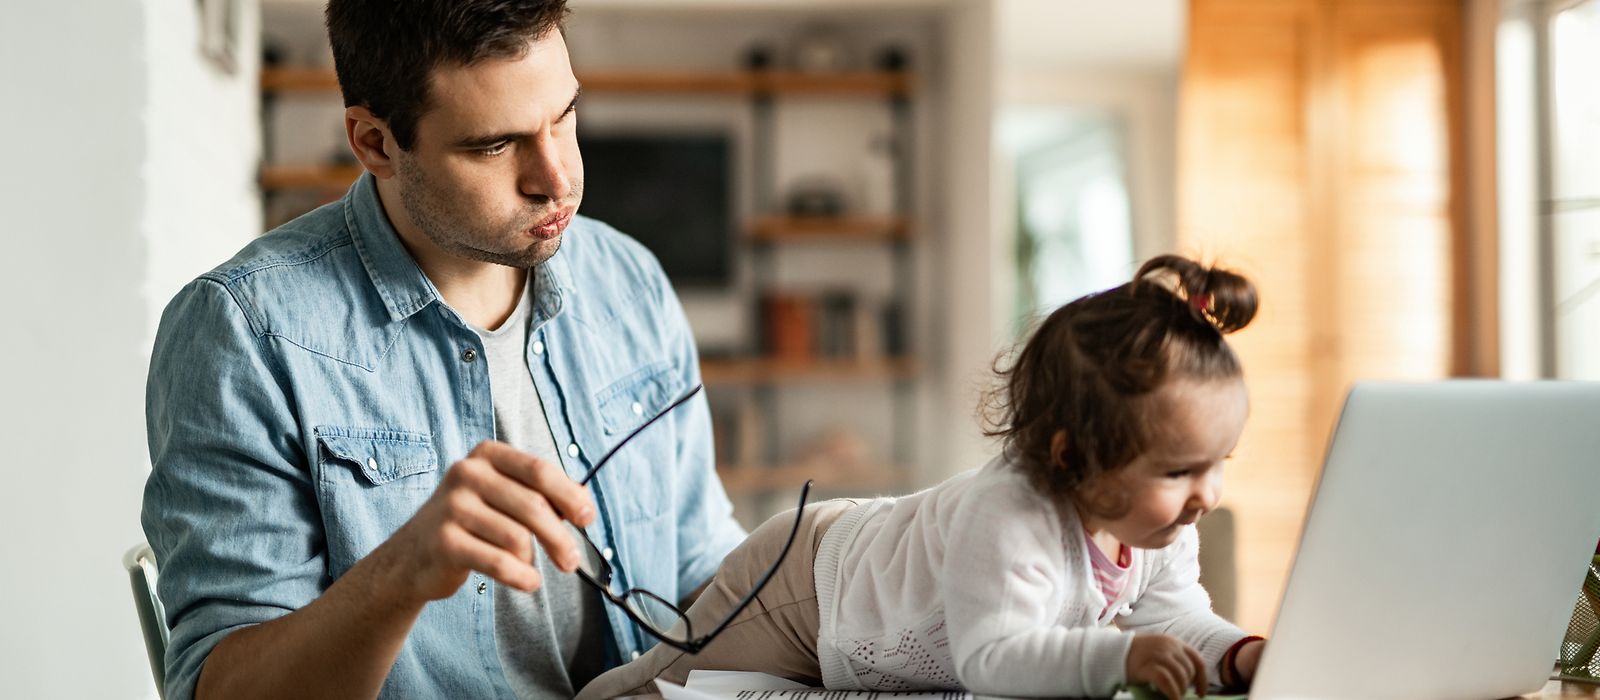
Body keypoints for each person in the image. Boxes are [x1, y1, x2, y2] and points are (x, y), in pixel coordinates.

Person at [140, 1, 746, 698]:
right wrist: (399, 576)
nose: (556, 178)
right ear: (374, 143)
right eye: (494, 145)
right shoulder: (243, 333)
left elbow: (699, 565)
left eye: (565, 117)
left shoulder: (629, 281)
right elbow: (222, 690)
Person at [578, 254, 1271, 700]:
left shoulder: (1157, 527)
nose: (1206, 496)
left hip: (855, 634)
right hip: (810, 587)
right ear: (1072, 457)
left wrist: (1238, 655)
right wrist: (1118, 660)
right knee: (663, 687)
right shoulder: (1012, 514)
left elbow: (1178, 618)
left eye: (1219, 465)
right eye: (1180, 471)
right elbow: (993, 657)